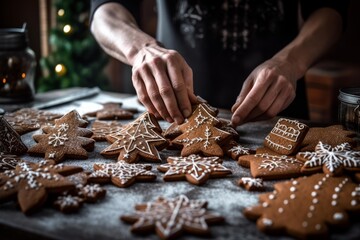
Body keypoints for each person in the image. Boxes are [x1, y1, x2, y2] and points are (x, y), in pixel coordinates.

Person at [90, 0, 348, 126]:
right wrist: (142, 49)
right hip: (175, 116)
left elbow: (332, 12)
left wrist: (291, 61)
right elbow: (105, 11)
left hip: (279, 111)